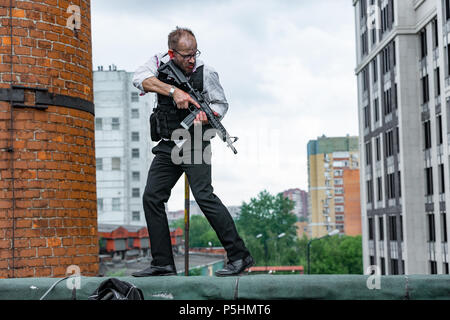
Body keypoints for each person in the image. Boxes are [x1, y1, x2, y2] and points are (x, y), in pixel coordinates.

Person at [131, 27, 254, 277]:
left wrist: (204, 117)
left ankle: (240, 256)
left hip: (195, 142)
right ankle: (163, 263)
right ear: (171, 53)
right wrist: (174, 91)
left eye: (194, 53)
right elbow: (139, 79)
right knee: (152, 197)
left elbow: (220, 105)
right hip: (168, 143)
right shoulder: (157, 63)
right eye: (186, 55)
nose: (192, 60)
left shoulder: (206, 72)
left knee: (204, 196)